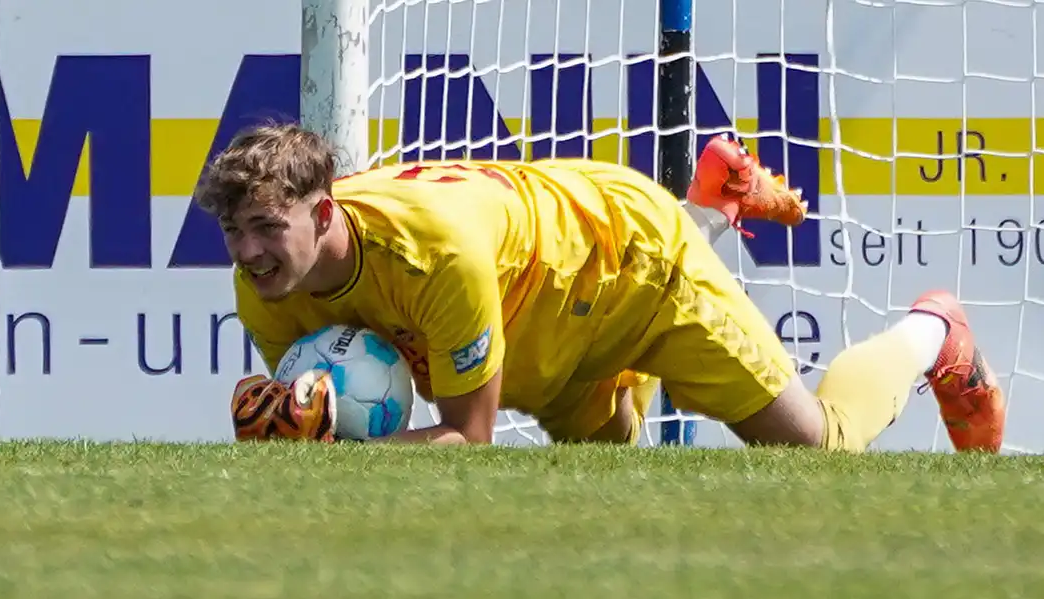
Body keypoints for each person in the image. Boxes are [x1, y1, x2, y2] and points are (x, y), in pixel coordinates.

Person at [207, 123, 1004, 452]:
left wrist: (322, 459)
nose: (249, 254)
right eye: (235, 233)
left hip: (630, 271)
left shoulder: (433, 254)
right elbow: (326, 414)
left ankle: (934, 332)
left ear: (323, 211)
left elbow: (468, 440)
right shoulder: (265, 282)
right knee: (609, 472)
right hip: (542, 323)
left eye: (267, 231)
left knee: (816, 446)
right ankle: (717, 201)